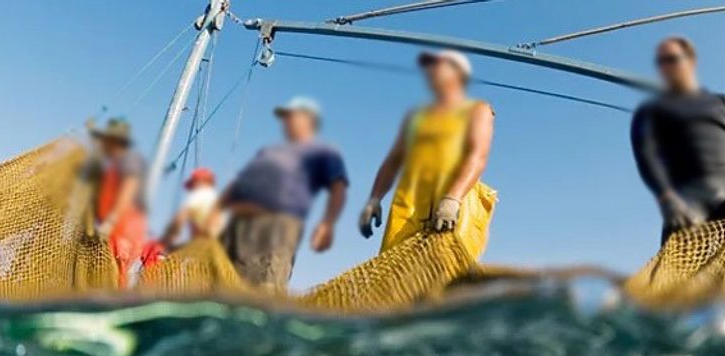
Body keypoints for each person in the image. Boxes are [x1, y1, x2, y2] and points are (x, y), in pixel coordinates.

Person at [358, 50, 496, 260]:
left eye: (440, 65)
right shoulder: (416, 117)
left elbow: (477, 156)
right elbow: (394, 159)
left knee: (444, 269)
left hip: (453, 196)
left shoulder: (477, 110)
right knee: (395, 273)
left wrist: (452, 199)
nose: (432, 72)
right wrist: (374, 199)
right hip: (410, 200)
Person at [631, 37, 725, 245]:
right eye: (662, 62)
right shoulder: (649, 114)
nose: (668, 66)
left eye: (673, 58)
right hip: (685, 218)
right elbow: (647, 161)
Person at [219, 97, 349, 289]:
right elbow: (238, 184)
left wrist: (327, 223)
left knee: (263, 287)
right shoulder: (268, 151)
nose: (285, 122)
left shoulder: (323, 151)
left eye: (291, 117)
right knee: (219, 284)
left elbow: (338, 187)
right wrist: (215, 211)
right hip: (236, 225)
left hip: (276, 226)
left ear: (308, 120)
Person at [86, 118, 149, 289]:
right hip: (113, 232)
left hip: (124, 233)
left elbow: (129, 187)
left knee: (116, 278)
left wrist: (111, 219)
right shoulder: (113, 165)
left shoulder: (130, 159)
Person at [161, 167, 223, 249]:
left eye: (193, 184)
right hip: (215, 246)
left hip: (202, 243)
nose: (191, 189)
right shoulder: (215, 198)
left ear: (200, 181)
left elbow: (180, 218)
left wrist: (166, 239)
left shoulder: (201, 193)